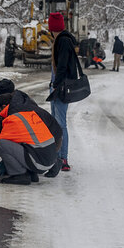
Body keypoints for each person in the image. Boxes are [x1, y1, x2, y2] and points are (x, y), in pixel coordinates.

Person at [0, 91, 63, 185]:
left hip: (42, 159)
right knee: (21, 142)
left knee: (1, 143)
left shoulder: (13, 119)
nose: (0, 115)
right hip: (50, 153)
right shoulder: (26, 110)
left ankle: (20, 175)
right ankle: (31, 173)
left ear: (4, 107)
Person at [47, 12, 77, 171]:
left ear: (52, 27)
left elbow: (63, 66)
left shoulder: (63, 41)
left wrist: (56, 85)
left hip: (61, 88)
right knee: (55, 123)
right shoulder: (59, 40)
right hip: (56, 85)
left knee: (60, 123)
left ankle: (63, 158)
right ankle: (57, 156)